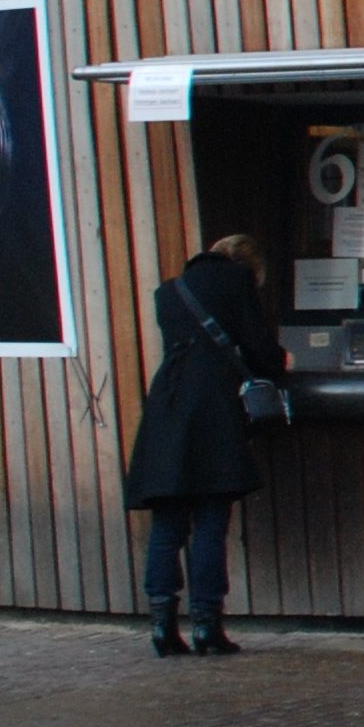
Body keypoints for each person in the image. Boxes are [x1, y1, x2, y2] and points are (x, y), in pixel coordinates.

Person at [120, 234, 287, 658]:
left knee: (168, 526)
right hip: (214, 411)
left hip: (168, 409)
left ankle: (162, 627)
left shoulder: (168, 292)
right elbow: (260, 348)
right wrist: (279, 364)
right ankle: (207, 627)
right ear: (247, 266)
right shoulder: (237, 283)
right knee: (211, 523)